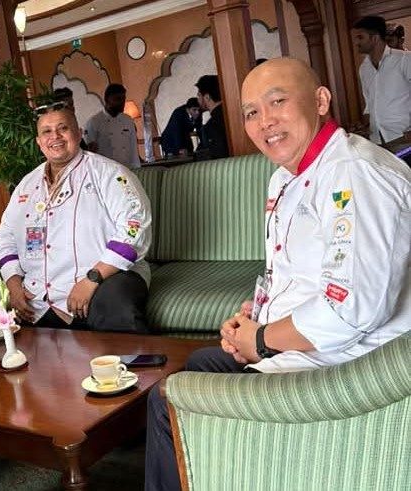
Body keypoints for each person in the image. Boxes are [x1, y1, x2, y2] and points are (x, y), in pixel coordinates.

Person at [144, 57, 411, 491]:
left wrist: (263, 340)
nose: (265, 121)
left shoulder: (353, 174)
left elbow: (351, 309)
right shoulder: (285, 177)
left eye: (278, 102)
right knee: (200, 362)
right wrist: (254, 316)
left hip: (345, 367)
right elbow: (290, 271)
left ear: (320, 101)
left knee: (167, 401)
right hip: (305, 348)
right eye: (251, 112)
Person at [0, 103, 152, 332]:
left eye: (63, 128)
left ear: (79, 134)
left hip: (107, 276)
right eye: (47, 132)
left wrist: (92, 279)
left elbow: (135, 229)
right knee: (9, 337)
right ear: (39, 142)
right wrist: (13, 284)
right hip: (41, 293)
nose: (55, 137)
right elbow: (7, 238)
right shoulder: (26, 185)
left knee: (115, 305)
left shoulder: (110, 173)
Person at [352, 16, 411, 144]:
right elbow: (369, 105)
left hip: (404, 138)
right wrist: (364, 126)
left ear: (374, 38)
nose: (356, 42)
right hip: (377, 140)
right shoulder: (364, 68)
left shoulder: (405, 60)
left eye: (360, 37)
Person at [83, 83, 141, 168]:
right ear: (107, 99)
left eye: (123, 99)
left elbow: (134, 148)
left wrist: (137, 168)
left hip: (127, 168)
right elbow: (91, 153)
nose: (122, 102)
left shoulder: (128, 120)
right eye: (118, 99)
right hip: (106, 170)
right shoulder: (94, 122)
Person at [193, 74, 230, 160]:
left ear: (207, 97)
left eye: (199, 95)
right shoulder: (232, 115)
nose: (198, 99)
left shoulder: (212, 125)